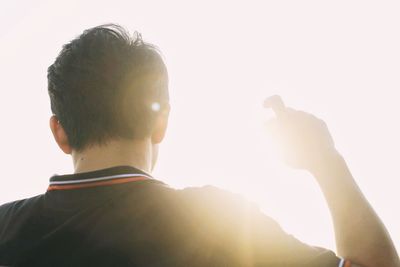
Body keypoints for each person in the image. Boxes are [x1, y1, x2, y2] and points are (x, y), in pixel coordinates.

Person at [0, 24, 398, 267]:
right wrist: (325, 161)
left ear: (60, 132)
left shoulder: (5, 229)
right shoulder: (215, 224)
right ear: (161, 122)